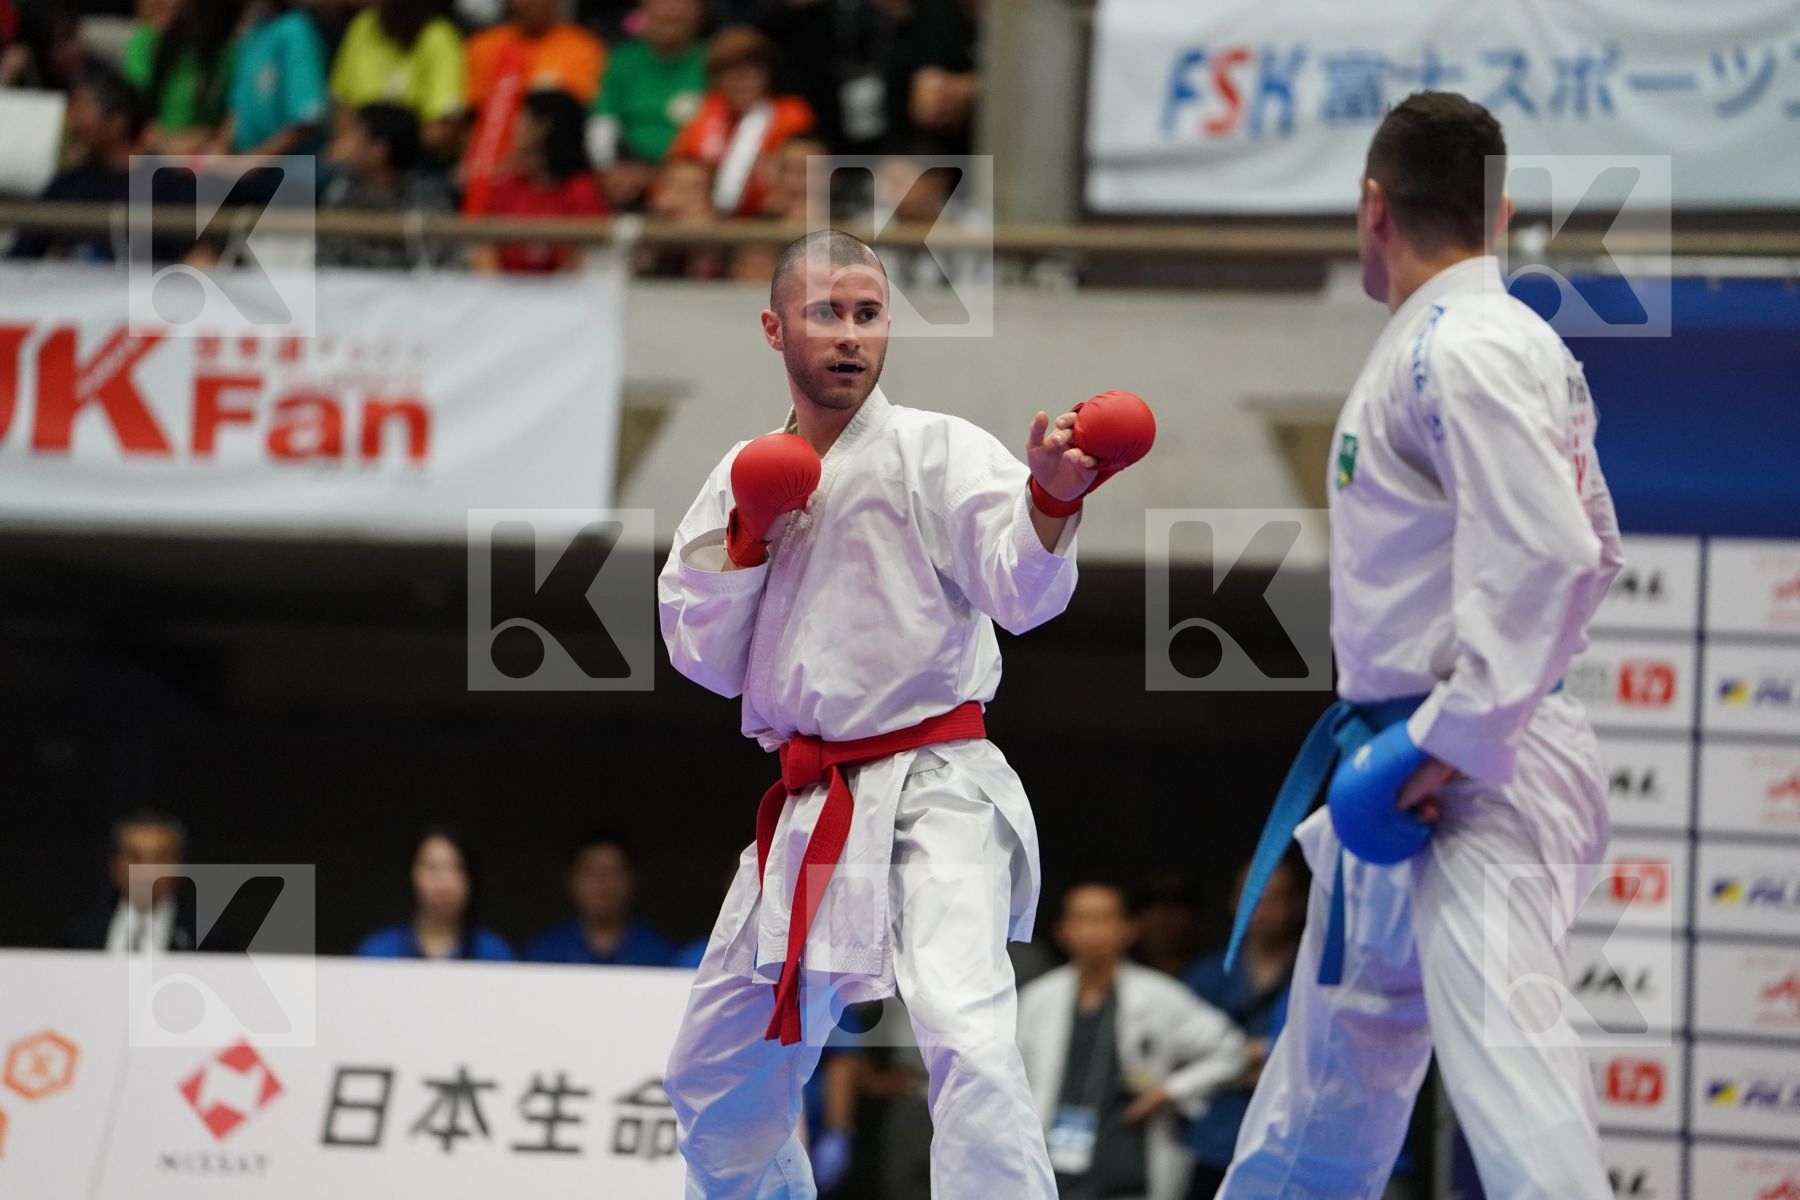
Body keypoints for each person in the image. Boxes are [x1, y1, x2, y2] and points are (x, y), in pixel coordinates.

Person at [657, 227, 1154, 1196]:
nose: (850, 335)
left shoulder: (937, 450)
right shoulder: (738, 474)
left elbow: (1023, 595)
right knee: (713, 1075)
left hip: (937, 785)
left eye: (869, 315)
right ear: (773, 327)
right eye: (826, 314)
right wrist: (748, 539)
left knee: (966, 1033)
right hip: (810, 804)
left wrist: (1051, 501)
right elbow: (703, 658)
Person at [1219, 92, 1624, 1199]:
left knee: (1515, 1088)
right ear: (1498, 212)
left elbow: (1555, 555)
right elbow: (1592, 546)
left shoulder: (1470, 342)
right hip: (1400, 772)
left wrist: (1443, 741)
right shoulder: (1458, 339)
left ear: (1371, 206)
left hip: (1462, 777)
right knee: (1320, 1106)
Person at [1017, 881, 1244, 1200]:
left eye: (1105, 919)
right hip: (1050, 1166)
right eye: (1083, 919)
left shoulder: (1160, 995)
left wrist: (1169, 1091)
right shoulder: (1037, 998)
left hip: (1127, 1168)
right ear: (1062, 930)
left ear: (1128, 929)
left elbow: (1230, 1049)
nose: (1094, 930)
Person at [1182, 858, 1304, 1200]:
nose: (1262, 907)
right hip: (1216, 1142)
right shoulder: (1208, 975)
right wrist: (1260, 1060)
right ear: (1234, 902)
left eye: (1274, 897)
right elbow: (1180, 1057)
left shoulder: (1315, 974)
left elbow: (1320, 1056)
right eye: (1252, 895)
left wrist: (1236, 1060)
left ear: (1298, 902)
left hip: (1289, 1143)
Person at [462, 0, 604, 209]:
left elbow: (570, 124)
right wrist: (472, 164)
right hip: (487, 175)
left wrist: (518, 163)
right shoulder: (483, 46)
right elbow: (472, 116)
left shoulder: (583, 48)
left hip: (554, 176)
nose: (523, 4)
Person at [665, 24, 812, 216]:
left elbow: (801, 175)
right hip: (711, 218)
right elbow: (677, 169)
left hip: (772, 215)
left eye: (751, 69)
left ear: (768, 73)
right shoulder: (706, 112)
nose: (741, 79)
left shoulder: (791, 113)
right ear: (716, 78)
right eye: (730, 71)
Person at [9, 66, 148, 262]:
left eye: (82, 109)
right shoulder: (67, 186)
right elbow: (19, 258)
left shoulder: (166, 185)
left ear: (118, 121)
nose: (73, 123)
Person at [470, 87, 608, 273]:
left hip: (563, 295)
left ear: (542, 127)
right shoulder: (506, 185)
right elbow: (485, 249)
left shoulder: (582, 190)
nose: (515, 127)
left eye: (522, 119)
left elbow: (585, 259)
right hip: (503, 294)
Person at [586, 0, 706, 211]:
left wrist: (665, 174)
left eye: (680, 5)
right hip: (629, 169)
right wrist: (608, 169)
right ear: (643, 11)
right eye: (659, 4)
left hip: (691, 174)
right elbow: (602, 123)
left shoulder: (711, 59)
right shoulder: (623, 58)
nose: (668, 10)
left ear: (698, 13)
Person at [317, 101, 457, 268]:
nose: (344, 143)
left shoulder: (427, 200)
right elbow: (326, 262)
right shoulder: (340, 190)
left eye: (354, 135)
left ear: (379, 150)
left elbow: (439, 269)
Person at [328, 0, 465, 159]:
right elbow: (344, 103)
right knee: (304, 175)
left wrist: (383, 148)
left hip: (413, 161)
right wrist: (346, 145)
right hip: (360, 156)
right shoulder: (364, 25)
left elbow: (444, 128)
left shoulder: (439, 37)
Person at [356, 827, 514, 961]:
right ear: (412, 874)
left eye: (455, 868)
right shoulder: (379, 952)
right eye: (432, 868)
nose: (443, 882)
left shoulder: (493, 953)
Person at [525, 829, 676, 966]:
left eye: (613, 872)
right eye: (591, 872)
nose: (602, 882)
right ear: (571, 880)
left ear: (632, 880)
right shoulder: (545, 952)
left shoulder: (659, 953)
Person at [62, 810, 199, 953]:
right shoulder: (78, 935)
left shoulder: (206, 939)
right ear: (114, 863)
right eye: (134, 857)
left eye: (160, 858)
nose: (147, 870)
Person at [121, 0, 240, 152]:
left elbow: (233, 116)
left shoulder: (229, 54)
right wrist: (163, 141)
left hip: (203, 150)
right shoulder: (147, 40)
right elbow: (133, 104)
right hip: (151, 144)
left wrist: (208, 138)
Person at [223, 0, 329, 156]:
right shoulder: (252, 35)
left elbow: (306, 121)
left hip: (288, 170)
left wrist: (250, 163)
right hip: (246, 163)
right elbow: (237, 113)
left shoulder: (296, 31)